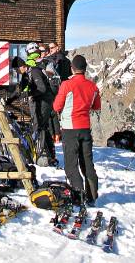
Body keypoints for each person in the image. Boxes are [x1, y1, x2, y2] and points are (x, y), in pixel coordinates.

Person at [53, 54, 101, 206]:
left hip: (70, 128)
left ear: (72, 69)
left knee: (71, 164)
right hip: (85, 128)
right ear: (85, 69)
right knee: (87, 163)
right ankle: (92, 196)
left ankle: (78, 196)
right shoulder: (93, 87)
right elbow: (96, 106)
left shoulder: (67, 85)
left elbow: (56, 107)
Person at [7, 56, 59, 167]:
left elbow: (42, 88)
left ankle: (45, 154)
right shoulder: (26, 75)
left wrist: (28, 94)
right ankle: (48, 154)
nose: (17, 72)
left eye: (17, 69)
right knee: (40, 126)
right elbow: (20, 90)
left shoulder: (34, 71)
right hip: (39, 101)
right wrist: (9, 100)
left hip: (45, 101)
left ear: (22, 66)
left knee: (40, 126)